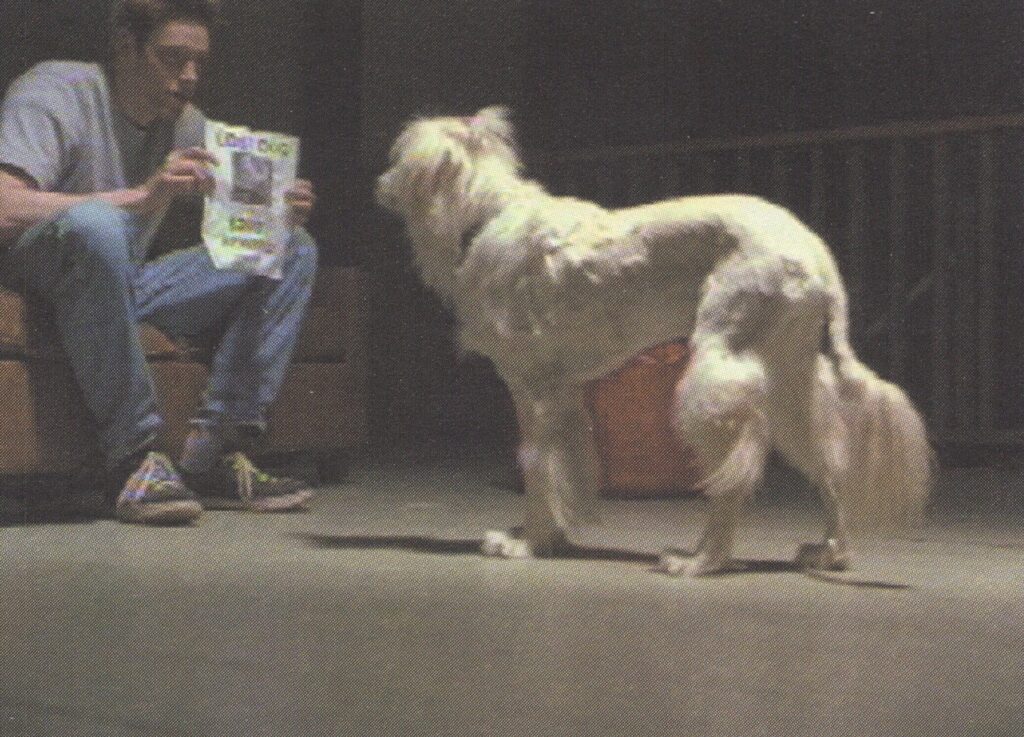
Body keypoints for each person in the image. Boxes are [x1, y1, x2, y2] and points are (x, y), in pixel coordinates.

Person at [0, 0, 321, 524]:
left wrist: (274, 216)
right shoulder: (56, 92)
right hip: (37, 281)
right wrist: (138, 198)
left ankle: (211, 453)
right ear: (127, 48)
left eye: (199, 62)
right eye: (172, 59)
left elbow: (245, 226)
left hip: (119, 283)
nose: (189, 76)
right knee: (101, 226)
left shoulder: (187, 125)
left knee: (291, 250)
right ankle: (133, 456)